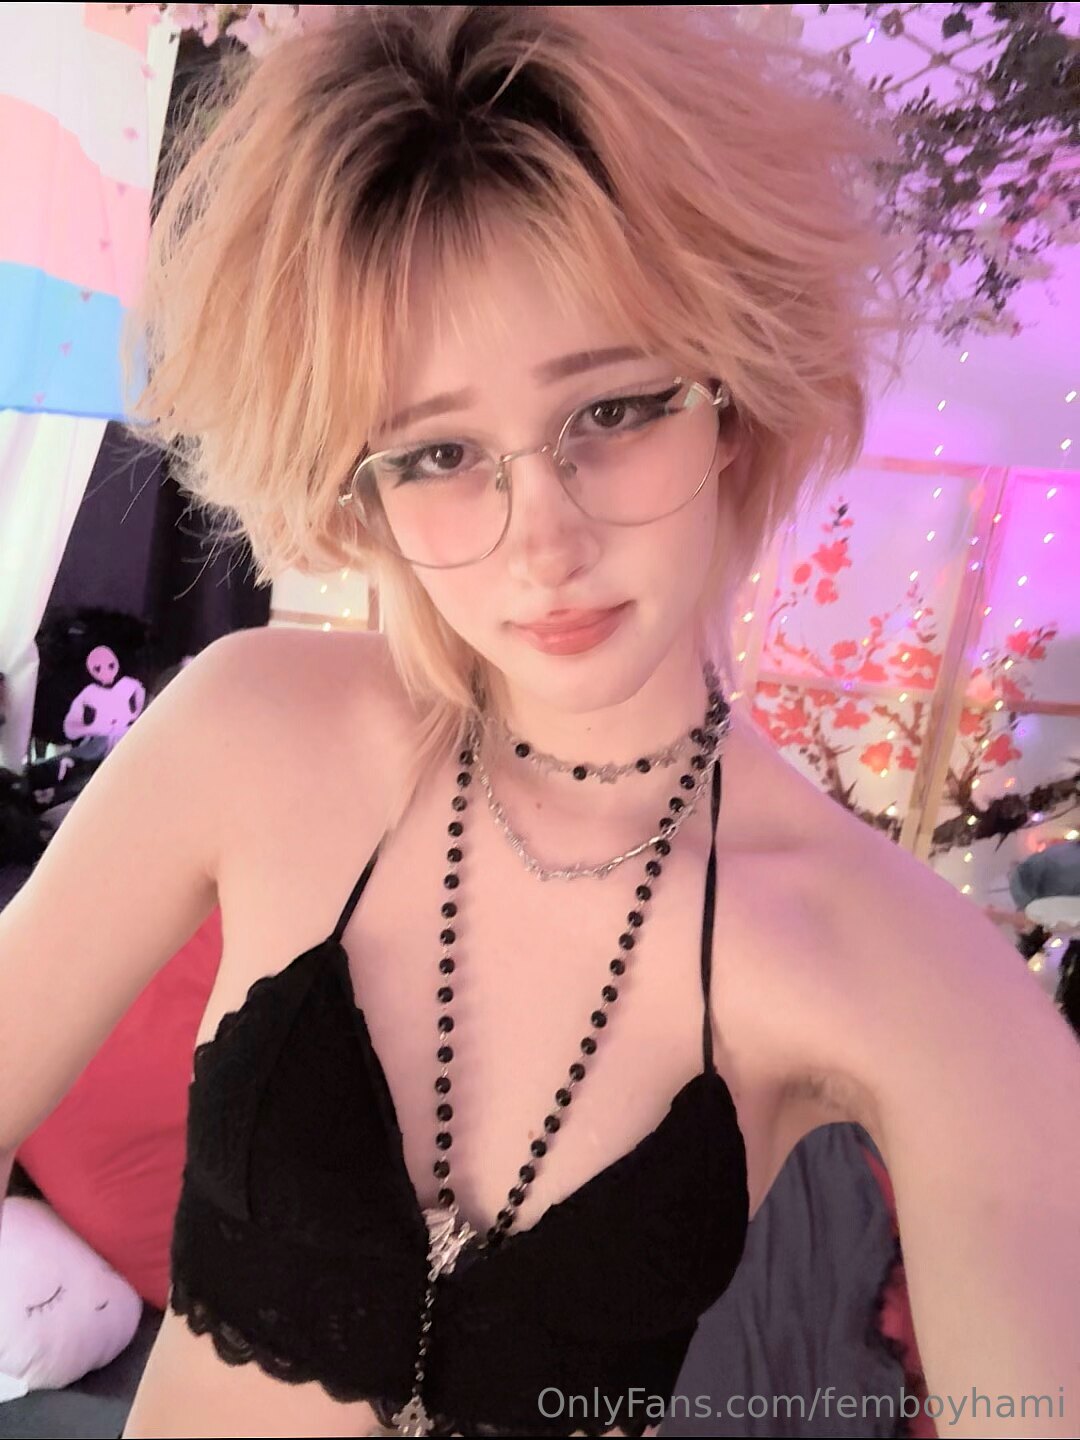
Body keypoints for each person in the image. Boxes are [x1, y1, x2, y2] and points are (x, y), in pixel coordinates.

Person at [1, 7, 1077, 1438]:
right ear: (359, 479)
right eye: (439, 452)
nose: (541, 541)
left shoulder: (903, 970)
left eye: (614, 411)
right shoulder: (254, 733)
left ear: (733, 399)